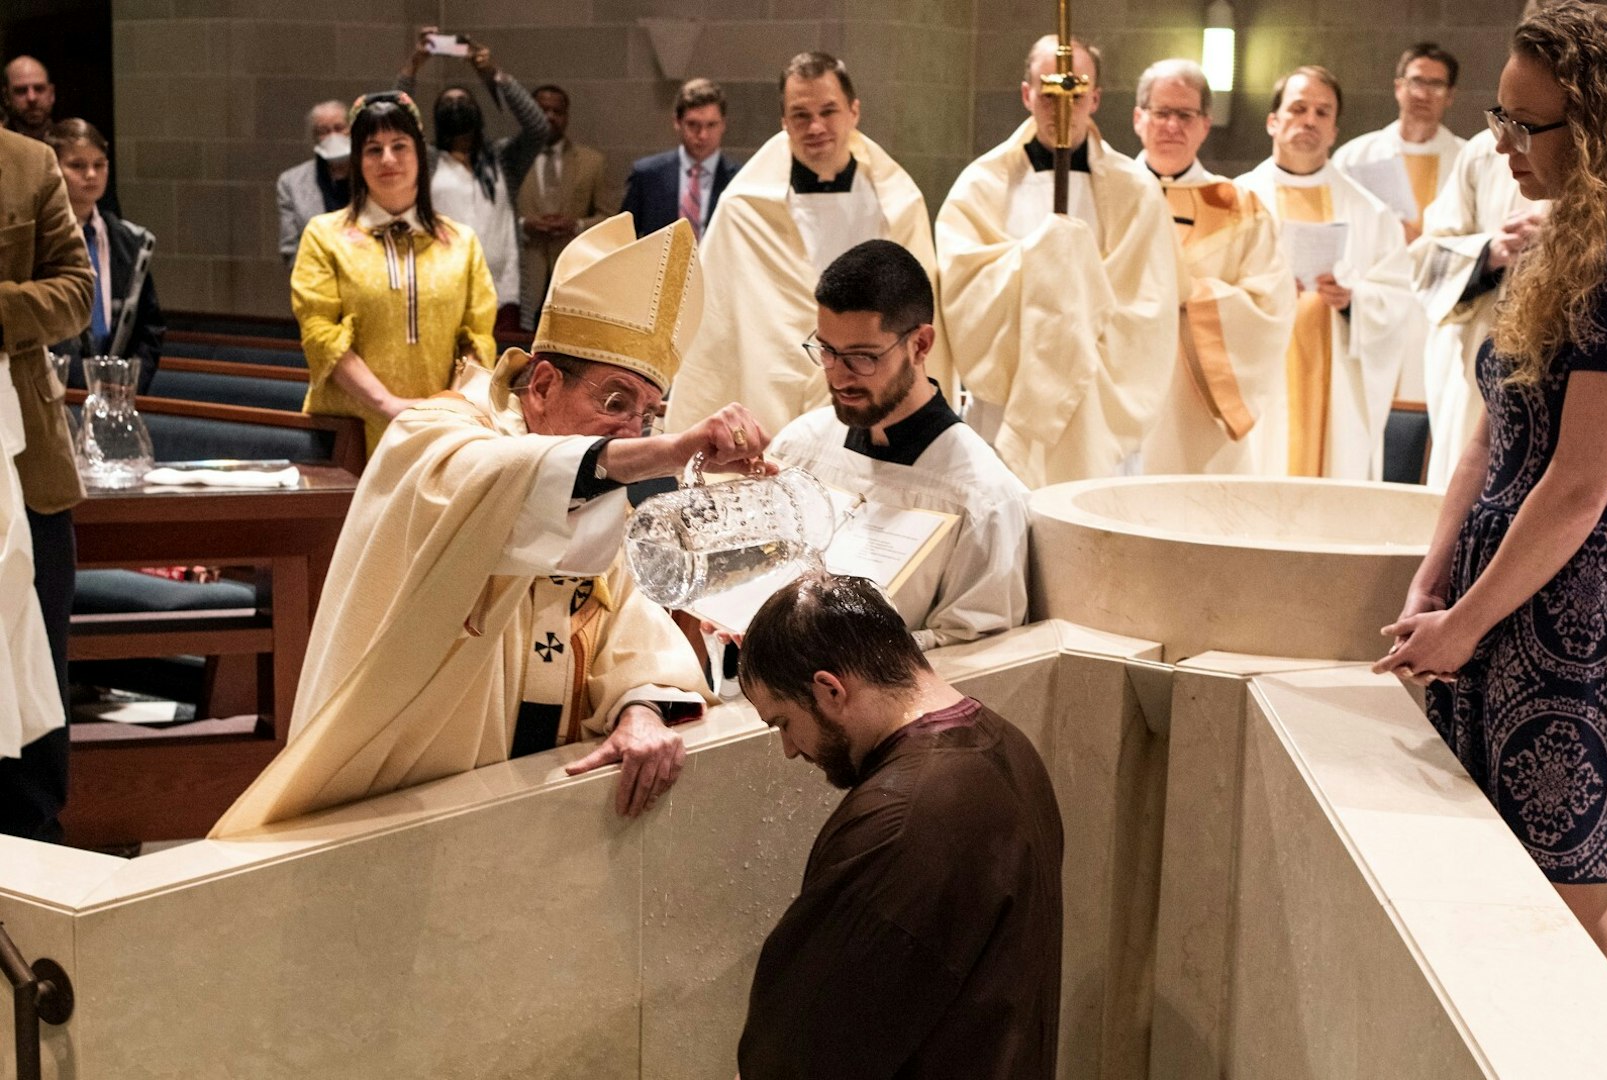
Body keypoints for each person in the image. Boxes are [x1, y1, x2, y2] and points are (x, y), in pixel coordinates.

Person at [212, 215, 769, 837]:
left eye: (646, 417)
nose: (630, 432)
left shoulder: (600, 487)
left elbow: (629, 618)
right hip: (397, 808)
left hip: (541, 806)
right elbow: (504, 483)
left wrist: (640, 707)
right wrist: (667, 451)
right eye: (614, 404)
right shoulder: (432, 436)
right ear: (545, 384)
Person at [1375, 0, 1607, 971]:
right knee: (1496, 885)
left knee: (1567, 907)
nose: (1503, 143)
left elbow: (1580, 481)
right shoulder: (1550, 240)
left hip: (1569, 613)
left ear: (1596, 125)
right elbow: (1485, 428)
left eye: (1527, 125)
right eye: (1498, 115)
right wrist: (1434, 581)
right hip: (1494, 591)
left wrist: (1468, 620)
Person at [736, 571, 1063, 1079]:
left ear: (829, 689)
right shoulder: (1010, 745)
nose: (790, 748)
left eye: (782, 722)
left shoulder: (898, 821)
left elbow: (804, 1052)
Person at [665, 51, 954, 438]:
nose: (815, 126)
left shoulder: (897, 207)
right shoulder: (744, 210)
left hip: (870, 395)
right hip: (766, 393)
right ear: (784, 121)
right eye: (801, 115)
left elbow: (918, 319)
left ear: (854, 112)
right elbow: (713, 328)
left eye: (828, 111)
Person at [936, 35, 1178, 486]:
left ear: (1096, 98)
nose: (1061, 108)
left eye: (1076, 94)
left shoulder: (1136, 190)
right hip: (1012, 404)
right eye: (1048, 94)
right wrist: (1043, 260)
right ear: (1027, 94)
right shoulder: (981, 186)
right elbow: (963, 288)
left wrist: (1076, 304)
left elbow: (1150, 310)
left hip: (1097, 403)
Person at [768, 240, 1027, 652]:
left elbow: (975, 655)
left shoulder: (984, 499)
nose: (837, 377)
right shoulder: (800, 447)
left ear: (920, 345)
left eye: (862, 357)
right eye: (827, 351)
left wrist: (843, 652)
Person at [1234, 66, 1424, 480]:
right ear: (1273, 121)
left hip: (1338, 394)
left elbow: (1398, 298)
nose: (1309, 121)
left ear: (1335, 130)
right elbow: (1213, 293)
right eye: (1298, 108)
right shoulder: (1237, 201)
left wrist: (1354, 301)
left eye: (1323, 112)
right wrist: (1266, 295)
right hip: (1261, 391)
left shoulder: (1370, 211)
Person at [292, 91, 497, 455]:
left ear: (420, 153)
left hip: (443, 433)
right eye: (373, 149)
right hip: (351, 434)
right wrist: (388, 405)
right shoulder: (324, 237)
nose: (387, 159)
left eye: (399, 145)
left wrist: (446, 409)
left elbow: (478, 337)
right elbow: (320, 335)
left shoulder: (461, 242)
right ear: (357, 159)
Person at [1133, 59, 1296, 475]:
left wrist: (1191, 296)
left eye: (1185, 115)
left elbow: (1269, 307)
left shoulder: (1240, 208)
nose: (1172, 125)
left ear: (1205, 125)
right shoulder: (1110, 195)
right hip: (1119, 390)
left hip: (1198, 403)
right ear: (1139, 118)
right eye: (1161, 112)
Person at [0, 124, 93, 841]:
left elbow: (76, 292)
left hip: (25, 463)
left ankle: (33, 839)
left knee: (34, 656)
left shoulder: (28, 163)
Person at [1411, 128, 1549, 487]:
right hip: (1484, 351)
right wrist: (1489, 252)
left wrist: (1569, 240)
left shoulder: (1602, 148)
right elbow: (1427, 259)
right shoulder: (1483, 153)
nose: (1506, 143)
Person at [398, 28, 550, 329]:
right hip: (441, 288)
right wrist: (413, 67)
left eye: (463, 101)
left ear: (478, 116)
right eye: (448, 103)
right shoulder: (425, 161)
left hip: (502, 292)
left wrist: (492, 72)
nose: (455, 105)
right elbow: (394, 120)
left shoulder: (502, 159)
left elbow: (538, 127)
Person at [46, 119, 164, 396]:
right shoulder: (41, 240)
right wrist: (80, 383)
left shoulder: (130, 240)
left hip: (119, 391)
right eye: (77, 165)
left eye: (99, 164)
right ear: (53, 169)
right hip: (60, 389)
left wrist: (130, 381)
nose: (91, 174)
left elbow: (150, 327)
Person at [1333, 43, 1466, 245]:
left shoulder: (1465, 158)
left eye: (1436, 85)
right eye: (1416, 82)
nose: (1423, 95)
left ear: (1450, 96)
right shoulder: (1354, 155)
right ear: (1398, 88)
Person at [516, 84, 612, 327]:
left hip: (574, 276)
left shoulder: (592, 162)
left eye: (557, 112)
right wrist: (524, 225)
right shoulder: (510, 158)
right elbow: (494, 217)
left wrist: (577, 225)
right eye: (542, 110)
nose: (550, 117)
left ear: (567, 116)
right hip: (524, 276)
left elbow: (610, 218)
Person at [620, 78, 738, 240]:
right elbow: (623, 239)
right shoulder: (647, 176)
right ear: (677, 122)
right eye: (693, 124)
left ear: (723, 125)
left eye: (711, 125)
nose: (702, 135)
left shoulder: (740, 180)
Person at [276, 100, 352, 268]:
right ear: (314, 137)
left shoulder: (371, 173)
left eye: (339, 128)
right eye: (323, 131)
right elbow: (290, 248)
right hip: (317, 277)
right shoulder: (291, 182)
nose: (333, 135)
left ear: (351, 129)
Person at [3, 56, 54, 141]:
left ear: (51, 93)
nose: (31, 98)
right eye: (21, 91)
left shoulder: (71, 145)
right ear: (6, 97)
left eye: (39, 89)